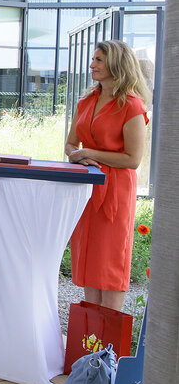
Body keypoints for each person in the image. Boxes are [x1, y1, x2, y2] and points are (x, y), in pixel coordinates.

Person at [65, 40, 150, 312]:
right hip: (87, 188)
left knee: (111, 262)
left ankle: (109, 337)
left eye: (99, 60)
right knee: (89, 259)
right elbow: (70, 144)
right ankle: (90, 338)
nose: (92, 65)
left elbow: (133, 159)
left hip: (115, 192)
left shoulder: (132, 106)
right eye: (94, 59)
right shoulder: (86, 101)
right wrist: (77, 154)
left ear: (117, 63)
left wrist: (92, 153)